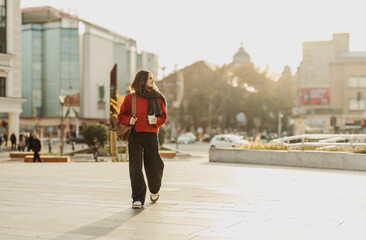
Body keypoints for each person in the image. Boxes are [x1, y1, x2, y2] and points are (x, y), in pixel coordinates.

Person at [118, 70, 167, 209]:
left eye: (152, 78)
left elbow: (164, 117)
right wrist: (129, 120)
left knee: (155, 164)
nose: (153, 80)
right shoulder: (130, 98)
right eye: (149, 78)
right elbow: (121, 116)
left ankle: (155, 189)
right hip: (135, 135)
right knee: (135, 167)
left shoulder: (157, 98)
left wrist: (156, 120)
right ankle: (137, 198)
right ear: (141, 80)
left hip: (151, 134)